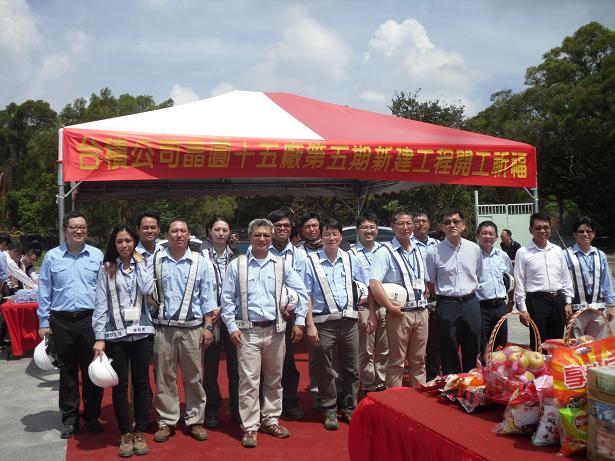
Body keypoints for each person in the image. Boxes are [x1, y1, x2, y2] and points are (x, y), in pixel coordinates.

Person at [221, 218, 308, 448]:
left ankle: (271, 419)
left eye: (266, 235)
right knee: (249, 382)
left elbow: (301, 292)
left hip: (275, 331)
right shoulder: (237, 265)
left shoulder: (281, 264)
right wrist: (231, 327)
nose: (262, 239)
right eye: (258, 235)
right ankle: (250, 427)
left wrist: (299, 321)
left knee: (274, 379)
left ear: (272, 237)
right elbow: (226, 299)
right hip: (247, 332)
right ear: (250, 237)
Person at [37, 211, 104, 439]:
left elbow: (104, 291)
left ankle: (92, 416)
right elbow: (44, 290)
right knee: (67, 371)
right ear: (65, 230)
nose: (78, 230)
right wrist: (43, 321)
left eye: (82, 227)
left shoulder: (96, 255)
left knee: (93, 370)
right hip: (61, 321)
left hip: (90, 321)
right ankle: (70, 419)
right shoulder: (52, 256)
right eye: (74, 227)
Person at [151, 218, 216, 443]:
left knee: (194, 377)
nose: (178, 235)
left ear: (189, 235)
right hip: (163, 329)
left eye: (183, 231)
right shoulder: (156, 260)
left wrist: (208, 326)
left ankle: (195, 420)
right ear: (166, 235)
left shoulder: (201, 262)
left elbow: (207, 296)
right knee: (164, 377)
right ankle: (166, 421)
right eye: (174, 231)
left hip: (193, 329)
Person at [92, 225, 155, 457]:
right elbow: (101, 304)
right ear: (114, 244)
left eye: (128, 241)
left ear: (135, 243)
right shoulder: (107, 269)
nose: (125, 245)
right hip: (115, 335)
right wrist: (99, 337)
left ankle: (139, 431)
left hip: (142, 332)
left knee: (142, 382)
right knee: (120, 385)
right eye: (120, 241)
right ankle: (125, 433)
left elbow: (148, 289)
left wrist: (140, 263)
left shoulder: (143, 264)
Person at [303, 218, 367, 430]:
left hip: (349, 322)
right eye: (327, 234)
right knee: (326, 369)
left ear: (341, 236)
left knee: (352, 368)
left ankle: (349, 407)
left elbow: (363, 284)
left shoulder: (350, 258)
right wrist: (310, 324)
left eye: (335, 234)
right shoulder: (311, 261)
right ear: (321, 237)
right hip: (323, 324)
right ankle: (329, 409)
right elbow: (306, 295)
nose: (331, 238)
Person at [370, 210, 429, 388]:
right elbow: (374, 283)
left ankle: (419, 398)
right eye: (401, 224)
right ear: (392, 226)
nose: (406, 227)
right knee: (396, 360)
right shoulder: (384, 252)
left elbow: (424, 279)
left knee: (419, 360)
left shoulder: (419, 249)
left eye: (409, 223)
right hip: (399, 314)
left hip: (421, 311)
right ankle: (395, 399)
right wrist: (390, 307)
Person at [425, 208, 482, 374]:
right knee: (448, 347)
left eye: (456, 221)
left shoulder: (474, 248)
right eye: (447, 222)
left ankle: (472, 382)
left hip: (471, 303)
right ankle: (453, 383)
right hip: (447, 305)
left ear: (463, 225)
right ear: (441, 227)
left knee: (473, 345)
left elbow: (478, 274)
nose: (452, 225)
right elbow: (430, 282)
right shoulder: (433, 252)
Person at [267, 210, 309, 420]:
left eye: (286, 225)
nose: (282, 229)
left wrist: (300, 321)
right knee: (264, 363)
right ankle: (265, 405)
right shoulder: (260, 250)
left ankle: (290, 402)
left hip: (289, 317)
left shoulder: (299, 255)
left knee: (288, 362)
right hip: (264, 316)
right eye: (278, 225)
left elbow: (303, 290)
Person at [200, 217, 240, 428]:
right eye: (217, 229)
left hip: (232, 316)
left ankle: (237, 408)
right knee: (210, 367)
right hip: (210, 317)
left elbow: (241, 288)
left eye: (225, 229)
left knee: (236, 367)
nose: (221, 233)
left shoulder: (238, 256)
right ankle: (212, 409)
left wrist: (224, 308)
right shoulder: (200, 256)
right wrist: (210, 310)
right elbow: (198, 286)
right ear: (209, 232)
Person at [514, 212, 574, 350]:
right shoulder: (523, 252)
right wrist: (522, 309)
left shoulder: (557, 250)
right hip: (536, 302)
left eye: (546, 227)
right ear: (531, 230)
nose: (542, 231)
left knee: (557, 343)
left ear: (550, 229)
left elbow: (565, 278)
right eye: (538, 228)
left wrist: (568, 302)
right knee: (538, 343)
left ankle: (555, 364)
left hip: (558, 301)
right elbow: (519, 282)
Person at [349, 213, 388, 393]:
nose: (369, 231)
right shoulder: (351, 254)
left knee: (384, 348)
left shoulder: (385, 251)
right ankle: (368, 384)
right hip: (364, 307)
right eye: (364, 227)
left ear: (377, 230)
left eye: (372, 227)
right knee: (366, 349)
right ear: (358, 231)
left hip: (385, 304)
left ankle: (381, 382)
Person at [563, 216, 615, 339]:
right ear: (574, 234)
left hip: (597, 311)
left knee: (596, 346)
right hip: (576, 312)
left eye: (589, 231)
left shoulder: (600, 255)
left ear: (594, 234)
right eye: (581, 231)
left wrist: (610, 306)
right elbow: (563, 281)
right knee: (577, 346)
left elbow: (606, 281)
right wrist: (567, 303)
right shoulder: (565, 255)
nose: (585, 234)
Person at [476, 221, 514, 355]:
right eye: (484, 233)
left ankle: (498, 368)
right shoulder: (473, 255)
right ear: (477, 236)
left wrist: (511, 301)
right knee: (481, 345)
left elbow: (510, 279)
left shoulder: (502, 256)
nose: (488, 236)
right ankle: (482, 367)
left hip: (500, 307)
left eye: (491, 234)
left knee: (501, 346)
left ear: (496, 237)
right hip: (480, 307)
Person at [411, 211, 440, 381]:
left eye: (424, 221)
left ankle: (433, 376)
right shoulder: (408, 245)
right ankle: (418, 377)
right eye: (417, 221)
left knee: (435, 341)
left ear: (429, 224)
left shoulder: (437, 244)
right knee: (418, 343)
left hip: (435, 297)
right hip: (417, 298)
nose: (421, 224)